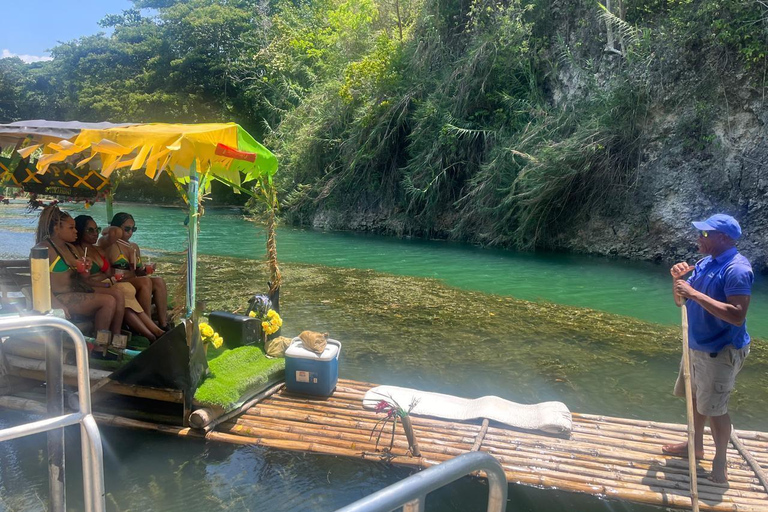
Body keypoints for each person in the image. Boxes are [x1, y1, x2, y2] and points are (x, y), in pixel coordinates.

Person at [662, 214, 753, 483]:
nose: (698, 238)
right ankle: (695, 445)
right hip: (696, 346)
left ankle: (720, 459)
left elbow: (737, 315)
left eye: (705, 234)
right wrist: (677, 281)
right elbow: (682, 302)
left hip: (720, 350)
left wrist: (694, 294)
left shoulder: (736, 269)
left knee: (715, 408)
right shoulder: (704, 263)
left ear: (723, 238)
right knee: (695, 399)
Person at [74, 215, 166, 342]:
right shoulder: (94, 247)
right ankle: (151, 333)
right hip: (100, 285)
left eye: (97, 229)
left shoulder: (99, 250)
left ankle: (158, 328)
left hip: (112, 281)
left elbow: (109, 273)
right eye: (90, 230)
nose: (95, 233)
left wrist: (142, 270)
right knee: (122, 292)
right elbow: (85, 279)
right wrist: (108, 283)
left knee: (136, 287)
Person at [34, 205, 117, 336]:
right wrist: (56, 304)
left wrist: (85, 269)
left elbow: (84, 278)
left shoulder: (70, 248)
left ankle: (108, 338)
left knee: (115, 294)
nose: (76, 231)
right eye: (71, 228)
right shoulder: (43, 249)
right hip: (58, 297)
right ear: (57, 229)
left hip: (75, 291)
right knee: (108, 301)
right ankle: (100, 346)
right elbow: (39, 283)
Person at [105, 212, 169, 330]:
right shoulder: (109, 245)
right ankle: (148, 323)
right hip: (119, 281)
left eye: (133, 229)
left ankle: (163, 323)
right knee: (145, 281)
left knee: (159, 281)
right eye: (127, 229)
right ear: (116, 228)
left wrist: (145, 270)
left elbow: (138, 272)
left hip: (133, 279)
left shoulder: (134, 246)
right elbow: (109, 271)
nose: (130, 232)